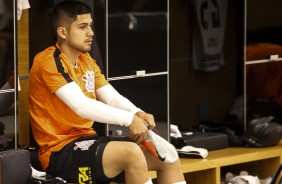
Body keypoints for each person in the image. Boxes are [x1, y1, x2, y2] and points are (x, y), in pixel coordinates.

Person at [28, 1, 186, 184]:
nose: (91, 33)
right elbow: (81, 105)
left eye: (90, 26)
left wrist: (137, 113)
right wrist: (129, 120)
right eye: (82, 27)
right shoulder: (47, 61)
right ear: (62, 32)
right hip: (60, 152)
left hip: (89, 141)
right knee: (132, 153)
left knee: (168, 156)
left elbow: (111, 97)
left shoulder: (86, 60)